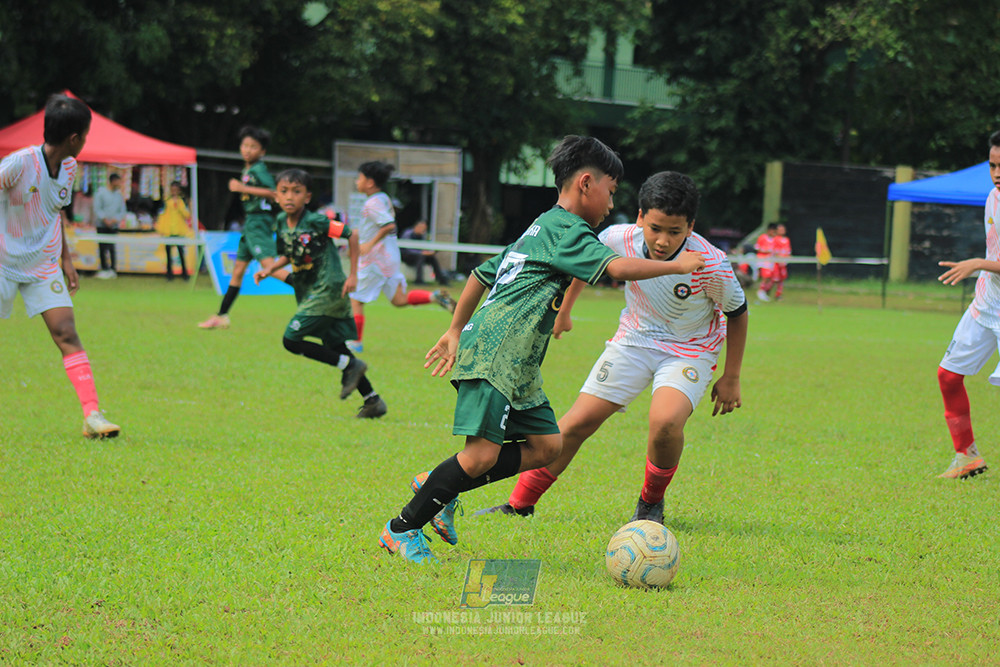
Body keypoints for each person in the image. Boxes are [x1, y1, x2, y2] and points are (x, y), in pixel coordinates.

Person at [378, 136, 707, 563]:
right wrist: (675, 265)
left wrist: (456, 327)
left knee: (546, 446)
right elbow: (616, 268)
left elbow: (481, 274)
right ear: (587, 183)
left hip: (518, 363)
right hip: (496, 352)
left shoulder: (542, 226)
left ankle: (439, 485)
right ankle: (401, 528)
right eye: (611, 190)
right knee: (479, 455)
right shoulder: (567, 229)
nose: (611, 202)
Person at [477, 171, 748, 523]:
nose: (663, 241)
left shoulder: (710, 263)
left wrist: (732, 376)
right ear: (639, 217)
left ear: (691, 226)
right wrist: (566, 310)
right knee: (574, 425)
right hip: (633, 342)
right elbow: (584, 265)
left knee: (665, 422)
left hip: (689, 349)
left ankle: (650, 505)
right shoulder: (617, 238)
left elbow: (738, 313)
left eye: (674, 231)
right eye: (655, 228)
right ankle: (519, 505)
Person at [0, 93, 120, 438]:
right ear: (74, 138)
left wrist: (66, 258)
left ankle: (92, 416)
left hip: (42, 263)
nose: (86, 140)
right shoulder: (18, 164)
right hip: (4, 259)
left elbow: (55, 212)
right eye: (87, 133)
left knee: (66, 332)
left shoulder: (69, 167)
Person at [255, 169, 387, 418]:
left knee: (291, 339)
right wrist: (269, 268)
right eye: (284, 191)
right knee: (334, 344)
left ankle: (349, 365)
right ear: (276, 196)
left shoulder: (316, 221)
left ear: (307, 196)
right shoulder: (282, 222)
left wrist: (353, 274)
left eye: (296, 191)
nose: (289, 197)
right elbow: (289, 253)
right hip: (309, 289)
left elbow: (352, 233)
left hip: (329, 288)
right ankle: (372, 401)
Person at [934, 130, 1000, 479]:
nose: (997, 173)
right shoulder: (992, 196)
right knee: (948, 376)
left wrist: (976, 263)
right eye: (993, 165)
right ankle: (967, 456)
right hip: (986, 303)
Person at [346, 161, 455, 353]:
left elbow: (388, 225)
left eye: (359, 178)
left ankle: (356, 342)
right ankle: (433, 296)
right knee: (398, 299)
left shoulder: (372, 203)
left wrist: (368, 244)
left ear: (370, 182)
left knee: (355, 299)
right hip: (389, 257)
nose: (357, 182)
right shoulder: (383, 198)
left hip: (375, 260)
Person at [199, 126, 288, 329]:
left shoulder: (258, 170)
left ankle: (308, 290)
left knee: (269, 266)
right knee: (238, 270)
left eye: (253, 147)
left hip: (259, 222)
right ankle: (221, 316)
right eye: (245, 145)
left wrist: (242, 188)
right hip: (250, 224)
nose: (247, 150)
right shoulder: (248, 169)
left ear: (262, 151)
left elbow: (274, 193)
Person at [155, 181, 192, 280]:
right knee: (168, 253)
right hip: (168, 231)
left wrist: (179, 207)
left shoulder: (182, 202)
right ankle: (169, 274)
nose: (174, 191)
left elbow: (187, 215)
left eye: (176, 189)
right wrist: (161, 228)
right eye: (172, 189)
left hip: (179, 231)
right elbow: (161, 215)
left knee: (181, 252)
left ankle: (184, 273)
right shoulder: (166, 201)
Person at [93, 172, 127, 279]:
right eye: (118, 181)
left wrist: (114, 220)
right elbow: (97, 208)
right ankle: (104, 268)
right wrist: (104, 219)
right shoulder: (101, 193)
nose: (119, 184)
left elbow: (122, 211)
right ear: (112, 182)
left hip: (113, 225)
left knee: (112, 247)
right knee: (102, 247)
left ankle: (113, 269)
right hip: (102, 225)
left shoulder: (119, 196)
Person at [401, 220, 449, 285]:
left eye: (425, 229)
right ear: (417, 227)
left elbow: (424, 247)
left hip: (418, 255)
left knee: (431, 258)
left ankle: (441, 279)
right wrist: (422, 253)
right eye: (422, 228)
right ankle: (419, 280)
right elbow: (407, 249)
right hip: (406, 256)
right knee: (420, 256)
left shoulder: (422, 236)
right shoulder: (408, 234)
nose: (423, 230)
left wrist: (429, 252)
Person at [754, 223, 777, 301]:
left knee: (771, 277)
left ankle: (764, 291)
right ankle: (761, 291)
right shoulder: (762, 238)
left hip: (770, 260)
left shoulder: (775, 239)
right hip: (763, 260)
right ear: (769, 230)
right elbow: (757, 248)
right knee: (766, 276)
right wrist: (766, 251)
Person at [769, 223, 791, 300]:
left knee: (781, 279)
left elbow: (788, 251)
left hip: (783, 263)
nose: (782, 231)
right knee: (775, 279)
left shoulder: (787, 240)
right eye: (780, 229)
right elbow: (774, 251)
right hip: (776, 263)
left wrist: (786, 259)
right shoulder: (775, 239)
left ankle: (778, 294)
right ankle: (767, 290)